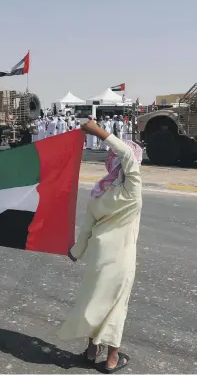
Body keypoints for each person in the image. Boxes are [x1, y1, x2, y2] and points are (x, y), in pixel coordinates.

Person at [58, 120, 140, 373]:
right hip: (121, 259)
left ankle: (92, 351)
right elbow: (128, 155)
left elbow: (86, 230)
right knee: (116, 305)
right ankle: (113, 358)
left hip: (97, 258)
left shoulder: (98, 193)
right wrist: (100, 133)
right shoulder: (132, 190)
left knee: (98, 300)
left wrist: (75, 253)